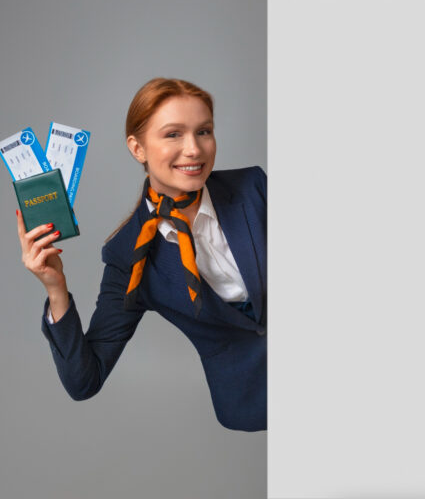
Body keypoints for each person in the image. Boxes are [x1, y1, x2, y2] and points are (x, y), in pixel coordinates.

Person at [16, 78, 266, 432]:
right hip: (256, 404)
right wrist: (55, 289)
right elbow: (84, 381)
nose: (194, 149)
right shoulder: (128, 257)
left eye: (204, 131)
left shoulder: (255, 188)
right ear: (137, 148)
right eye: (173, 134)